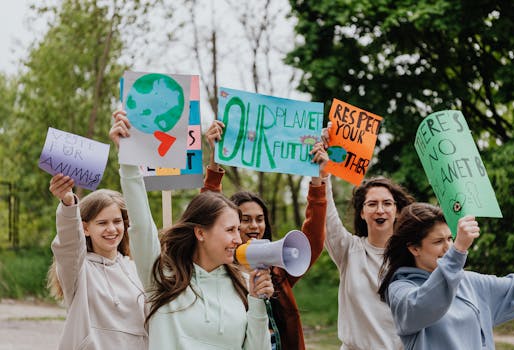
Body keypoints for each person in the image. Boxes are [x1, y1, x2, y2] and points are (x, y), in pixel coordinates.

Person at [110, 110, 273, 350]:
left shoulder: (244, 283)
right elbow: (142, 224)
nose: (238, 238)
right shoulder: (162, 276)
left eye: (238, 230)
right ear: (201, 233)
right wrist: (128, 160)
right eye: (230, 230)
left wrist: (258, 302)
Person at [204, 119, 328, 350]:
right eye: (244, 219)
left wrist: (317, 178)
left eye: (260, 219)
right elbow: (209, 211)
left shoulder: (278, 272)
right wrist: (215, 158)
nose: (254, 226)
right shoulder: (216, 267)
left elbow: (312, 240)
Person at [378, 203, 514, 349]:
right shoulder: (400, 290)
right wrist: (458, 250)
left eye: (450, 239)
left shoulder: (469, 282)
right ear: (414, 248)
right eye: (438, 241)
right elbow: (424, 305)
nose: (448, 247)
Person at [321, 122, 415, 350]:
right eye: (372, 204)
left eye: (387, 204)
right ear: (362, 212)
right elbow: (325, 215)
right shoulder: (348, 250)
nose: (380, 210)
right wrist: (322, 174)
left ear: (397, 211)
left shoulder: (413, 253)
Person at [47, 174, 148, 350]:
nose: (111, 229)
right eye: (102, 223)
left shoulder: (136, 269)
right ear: (85, 228)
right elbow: (69, 245)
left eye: (117, 221)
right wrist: (69, 204)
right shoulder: (78, 271)